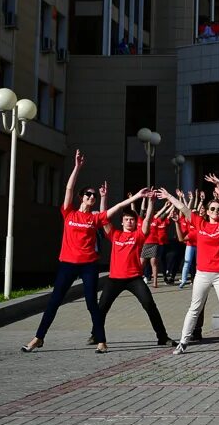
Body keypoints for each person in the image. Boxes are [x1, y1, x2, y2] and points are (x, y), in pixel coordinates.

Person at [22, 150, 108, 354]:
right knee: (54, 301)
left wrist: (104, 197)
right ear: (81, 198)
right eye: (88, 194)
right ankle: (38, 338)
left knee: (90, 303)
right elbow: (69, 188)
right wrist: (77, 167)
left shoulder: (93, 218)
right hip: (67, 263)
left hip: (89, 264)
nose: (91, 197)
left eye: (94, 196)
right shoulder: (69, 212)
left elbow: (105, 215)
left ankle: (102, 340)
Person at [158, 175, 219, 355]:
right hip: (203, 273)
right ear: (207, 210)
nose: (216, 211)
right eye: (212, 209)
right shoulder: (200, 223)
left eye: (218, 209)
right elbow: (183, 208)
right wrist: (169, 197)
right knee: (194, 308)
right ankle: (183, 342)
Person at [95, 189, 177, 350]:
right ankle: (96, 335)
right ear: (122, 222)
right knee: (101, 307)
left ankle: (162, 337)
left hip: (134, 278)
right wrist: (104, 197)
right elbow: (104, 218)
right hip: (115, 279)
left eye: (132, 220)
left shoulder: (138, 236)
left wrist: (152, 203)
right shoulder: (115, 235)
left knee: (149, 305)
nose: (129, 222)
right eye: (126, 220)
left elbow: (146, 221)